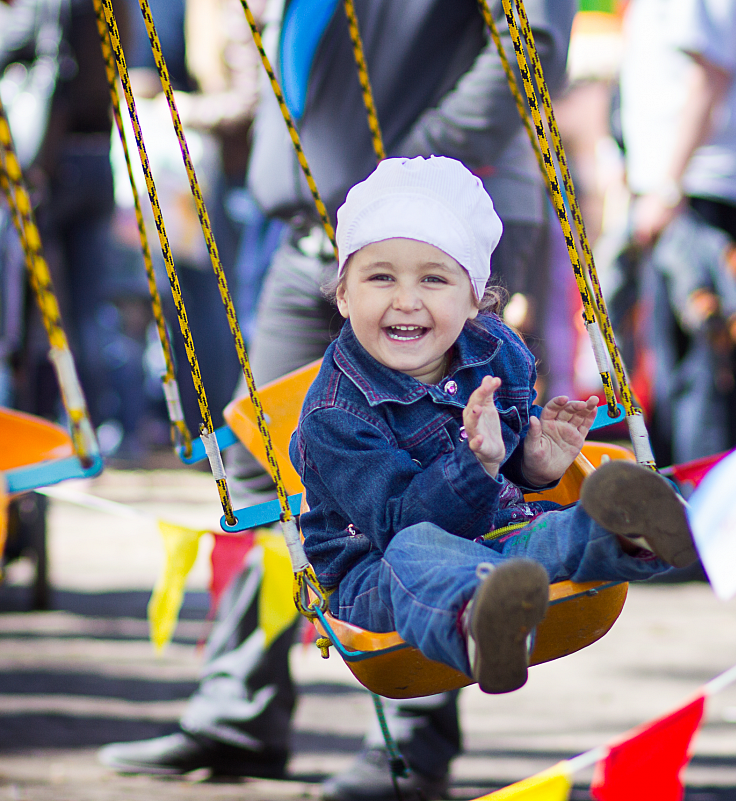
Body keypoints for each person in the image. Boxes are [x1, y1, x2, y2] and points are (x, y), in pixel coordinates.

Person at [99, 0, 574, 797]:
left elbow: (533, 41)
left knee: (446, 454)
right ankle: (241, 707)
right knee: (263, 457)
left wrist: (414, 175)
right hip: (317, 228)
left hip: (439, 230)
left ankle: (415, 739)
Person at [293, 156, 696, 696]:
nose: (406, 299)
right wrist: (476, 465)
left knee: (553, 530)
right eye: (380, 277)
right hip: (380, 572)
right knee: (423, 551)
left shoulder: (495, 351)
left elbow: (507, 471)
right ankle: (482, 622)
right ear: (344, 295)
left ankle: (633, 532)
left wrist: (533, 463)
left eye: (433, 279)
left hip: (498, 541)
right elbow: (398, 524)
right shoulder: (334, 415)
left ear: (474, 300)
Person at [620, 0, 736, 458]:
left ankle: (702, 510)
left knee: (703, 383)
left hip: (698, 185)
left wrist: (667, 186)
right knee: (700, 373)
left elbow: (711, 73)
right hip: (698, 183)